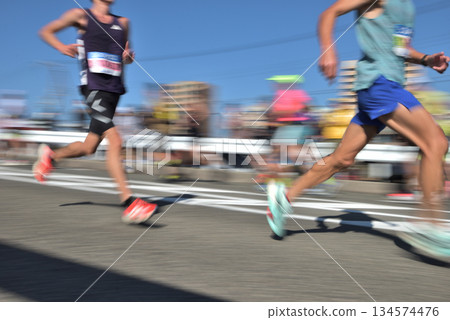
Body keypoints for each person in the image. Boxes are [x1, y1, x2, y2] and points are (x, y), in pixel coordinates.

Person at [266, 0, 450, 257]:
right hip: (380, 84)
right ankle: (431, 223)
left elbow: (401, 48)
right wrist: (328, 50)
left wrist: (427, 59)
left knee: (342, 159)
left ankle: (283, 197)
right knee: (436, 143)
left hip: (384, 86)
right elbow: (330, 13)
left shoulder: (406, 6)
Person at [34, 0, 157, 224]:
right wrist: (62, 47)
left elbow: (124, 56)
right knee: (115, 139)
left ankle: (51, 155)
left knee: (89, 147)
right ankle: (129, 203)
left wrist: (128, 59)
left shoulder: (123, 23)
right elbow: (46, 31)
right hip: (92, 87)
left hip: (114, 90)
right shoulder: (80, 16)